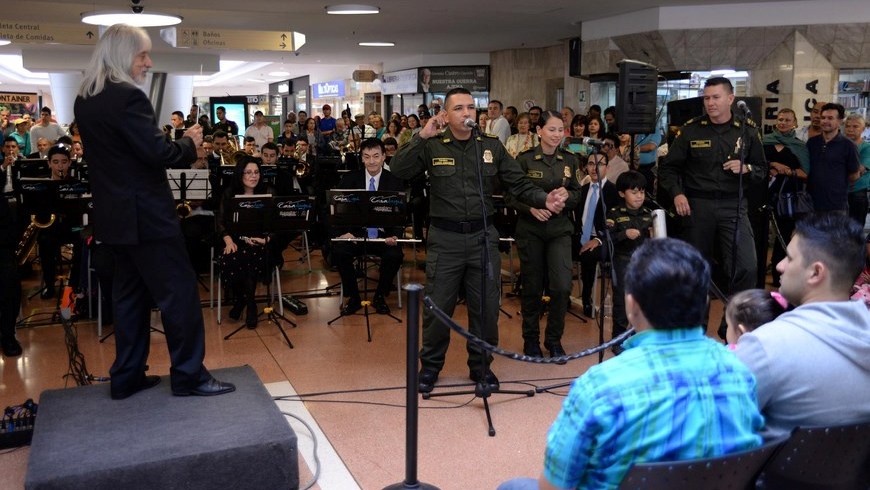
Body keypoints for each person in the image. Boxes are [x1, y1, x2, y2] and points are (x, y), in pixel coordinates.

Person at [498, 238, 763, 490]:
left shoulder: (599, 388)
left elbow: (552, 487)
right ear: (704, 302)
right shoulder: (741, 372)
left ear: (630, 304)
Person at [74, 24, 234, 399]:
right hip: (147, 217)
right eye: (142, 55)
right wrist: (189, 143)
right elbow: (157, 154)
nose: (148, 61)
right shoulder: (128, 97)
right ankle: (189, 375)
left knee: (129, 297)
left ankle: (127, 377)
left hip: (114, 219)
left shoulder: (86, 99)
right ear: (122, 55)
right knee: (179, 294)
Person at [391, 87, 568, 393]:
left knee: (485, 309)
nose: (467, 113)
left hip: (482, 238)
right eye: (458, 108)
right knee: (438, 309)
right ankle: (430, 367)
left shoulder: (490, 146)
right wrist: (421, 135)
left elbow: (518, 182)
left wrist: (544, 198)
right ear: (445, 115)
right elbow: (398, 169)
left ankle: (481, 367)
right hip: (445, 239)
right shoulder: (434, 145)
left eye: (471, 107)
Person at [736, 213, 870, 438]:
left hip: (772, 472)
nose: (779, 266)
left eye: (789, 258)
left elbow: (710, 425)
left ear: (816, 272)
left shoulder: (768, 346)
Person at [658, 77, 766, 337]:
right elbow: (669, 168)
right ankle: (695, 331)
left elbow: (763, 169)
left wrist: (747, 168)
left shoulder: (747, 129)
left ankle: (731, 323)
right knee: (696, 269)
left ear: (730, 99)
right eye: (706, 98)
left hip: (733, 205)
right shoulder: (692, 129)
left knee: (747, 266)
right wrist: (677, 194)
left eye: (716, 97)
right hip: (698, 206)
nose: (710, 103)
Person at [507, 111, 581, 359]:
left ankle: (554, 340)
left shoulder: (570, 160)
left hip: (559, 230)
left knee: (561, 286)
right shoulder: (525, 160)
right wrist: (531, 208)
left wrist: (567, 198)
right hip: (531, 230)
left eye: (561, 130)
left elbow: (577, 193)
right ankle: (530, 340)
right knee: (532, 287)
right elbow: (510, 196)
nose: (557, 134)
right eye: (552, 129)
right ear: (539, 131)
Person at [331, 138, 405, 316]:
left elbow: (400, 214)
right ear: (361, 158)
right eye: (367, 157)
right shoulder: (349, 179)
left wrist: (394, 235)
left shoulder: (395, 181)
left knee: (395, 255)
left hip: (382, 235)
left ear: (384, 157)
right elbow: (337, 211)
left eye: (376, 156)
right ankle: (354, 298)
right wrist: (343, 233)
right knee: (340, 252)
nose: (371, 161)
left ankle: (380, 296)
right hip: (355, 234)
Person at [218, 156, 272, 329]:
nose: (253, 176)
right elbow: (220, 220)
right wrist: (227, 240)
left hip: (260, 241)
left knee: (251, 257)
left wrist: (266, 239)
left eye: (256, 172)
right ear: (240, 175)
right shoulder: (229, 193)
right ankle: (244, 300)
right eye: (248, 172)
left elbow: (276, 223)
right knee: (231, 257)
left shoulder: (268, 192)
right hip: (236, 240)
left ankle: (249, 305)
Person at [606, 171, 653, 352]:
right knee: (621, 301)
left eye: (641, 192)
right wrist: (623, 234)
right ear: (621, 193)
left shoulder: (650, 214)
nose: (639, 196)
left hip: (644, 264)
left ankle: (638, 337)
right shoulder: (615, 213)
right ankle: (617, 340)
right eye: (634, 192)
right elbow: (607, 236)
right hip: (623, 261)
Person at [763, 108, 809, 287]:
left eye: (787, 120)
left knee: (782, 238)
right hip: (762, 195)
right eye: (780, 119)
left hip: (786, 199)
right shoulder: (764, 141)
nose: (783, 122)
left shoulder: (799, 146)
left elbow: (805, 173)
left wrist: (786, 170)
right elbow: (754, 162)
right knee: (759, 237)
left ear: (795, 123)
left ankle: (778, 277)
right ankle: (757, 277)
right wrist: (772, 164)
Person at [35, 144, 83, 300]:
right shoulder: (41, 185)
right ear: (49, 163)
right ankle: (49, 285)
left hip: (73, 228)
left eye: (63, 162)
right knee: (44, 241)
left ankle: (74, 284)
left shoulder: (76, 184)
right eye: (55, 162)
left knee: (82, 241)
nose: (60, 166)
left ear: (69, 163)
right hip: (50, 228)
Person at [575, 152, 618, 318]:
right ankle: (555, 296)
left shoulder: (612, 191)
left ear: (607, 167)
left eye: (600, 164)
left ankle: (587, 300)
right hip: (580, 236)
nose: (595, 168)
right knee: (556, 247)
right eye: (591, 164)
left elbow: (615, 222)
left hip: (602, 239)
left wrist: (598, 239)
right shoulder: (582, 189)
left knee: (588, 255)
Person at [806, 103, 861, 214]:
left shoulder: (848, 145)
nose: (825, 121)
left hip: (836, 206)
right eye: (823, 118)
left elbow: (854, 175)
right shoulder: (812, 142)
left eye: (830, 118)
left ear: (840, 121)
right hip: (810, 204)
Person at [845, 113, 870, 225]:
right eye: (848, 126)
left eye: (855, 126)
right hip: (839, 193)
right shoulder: (840, 145)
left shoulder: (866, 147)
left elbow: (859, 170)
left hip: (857, 193)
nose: (850, 129)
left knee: (855, 231)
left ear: (863, 129)